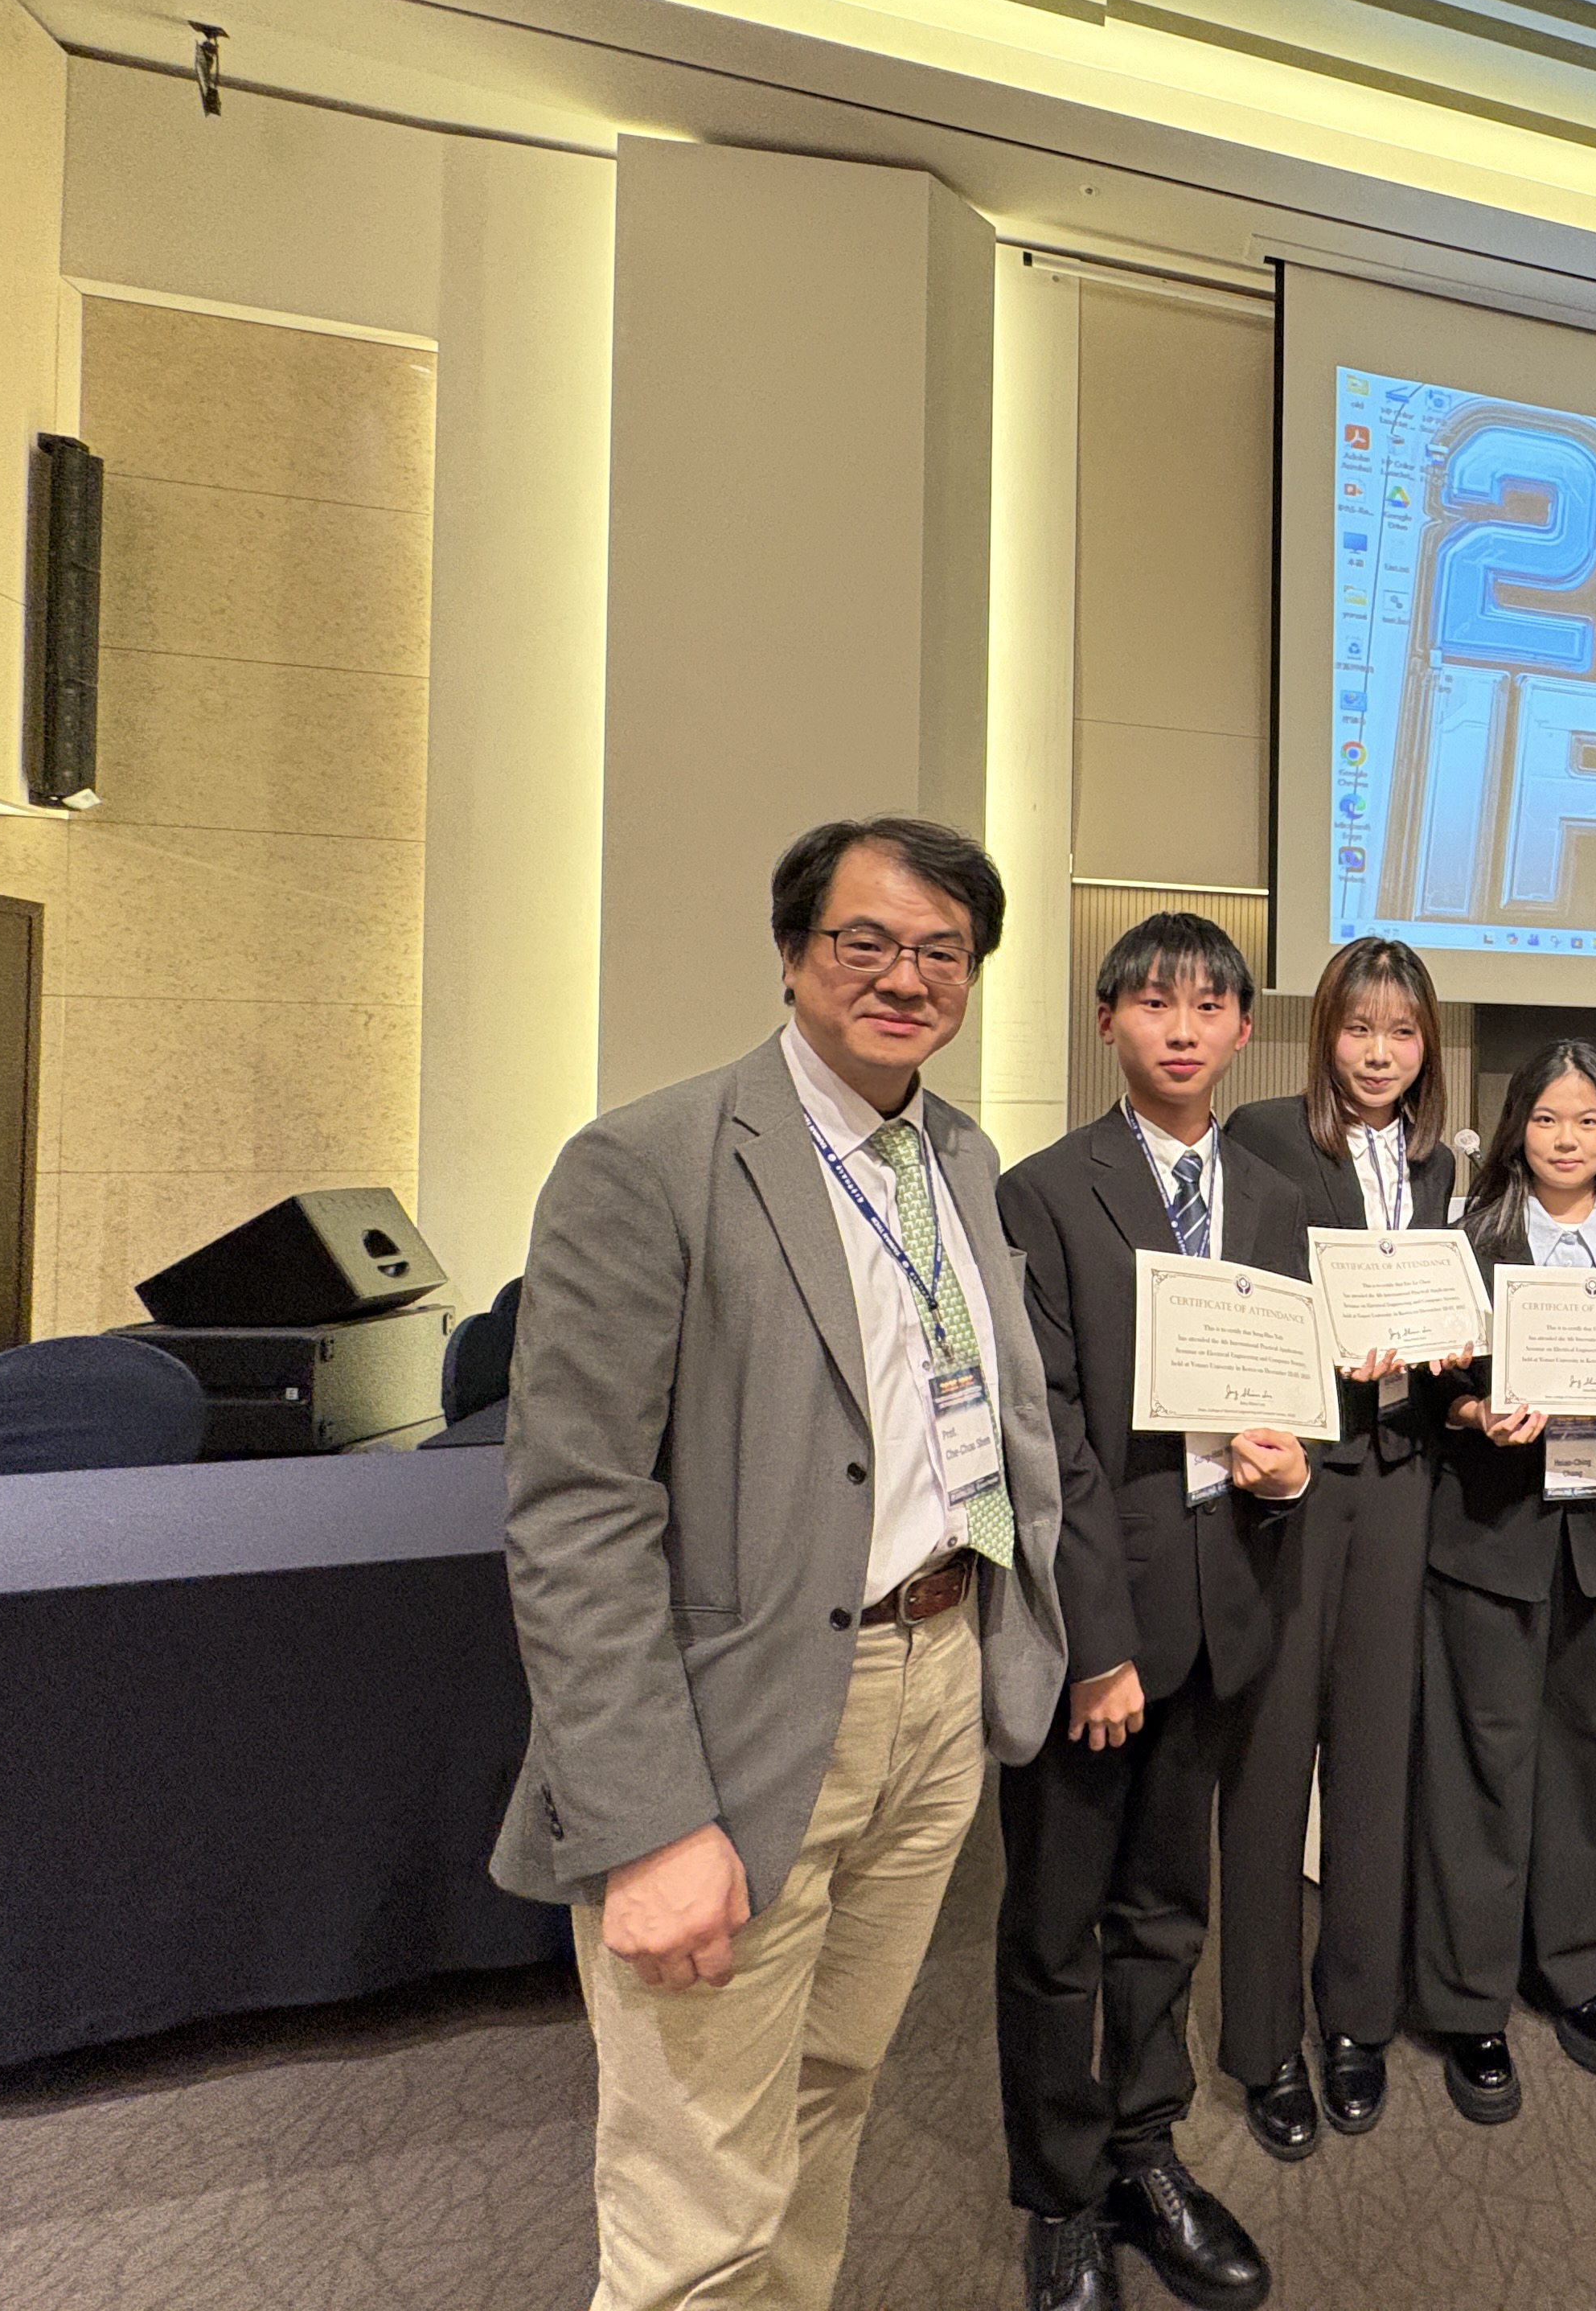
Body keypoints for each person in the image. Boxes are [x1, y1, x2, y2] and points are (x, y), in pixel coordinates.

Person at [491, 815, 1065, 2311]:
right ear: (796, 955)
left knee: (827, 2093)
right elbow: (576, 1510)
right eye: (863, 941)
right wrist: (646, 1818)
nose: (904, 975)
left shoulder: (956, 1152)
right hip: (743, 1720)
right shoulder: (650, 1160)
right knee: (698, 2193)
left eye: (942, 951)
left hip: (936, 1685)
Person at [994, 915, 1314, 2311]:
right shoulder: (1044, 1191)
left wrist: (1297, 1463)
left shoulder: (1274, 1194)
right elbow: (1044, 1438)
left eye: (1210, 1004)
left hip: (1221, 1605)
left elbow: (1296, 1389)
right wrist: (1098, 1641)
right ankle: (1061, 2193)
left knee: (1167, 1907)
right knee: (1059, 1922)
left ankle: (1143, 2145)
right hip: (1096, 1629)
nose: (1182, 1026)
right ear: (1109, 1021)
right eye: (1153, 1001)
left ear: (1246, 1029)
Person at [1214, 938, 1462, 2157]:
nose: (1379, 1053)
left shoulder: (1439, 1164)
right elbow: (1230, 1302)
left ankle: (1356, 2013)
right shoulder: (1263, 1136)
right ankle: (1261, 2042)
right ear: (1324, 1034)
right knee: (1268, 1761)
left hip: (1406, 1473)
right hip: (1295, 1478)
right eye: (1359, 1029)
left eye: (1402, 1033)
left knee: (1376, 1751)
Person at [1418, 1041, 1596, 2124]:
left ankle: (1571, 1970)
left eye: (1588, 1123)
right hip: (1492, 1530)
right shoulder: (1467, 1243)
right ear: (1516, 1125)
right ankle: (1471, 1996)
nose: (1568, 1140)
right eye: (1548, 1119)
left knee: (1584, 1757)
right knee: (1482, 1761)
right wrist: (1477, 1412)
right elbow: (1426, 1400)